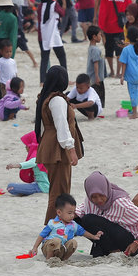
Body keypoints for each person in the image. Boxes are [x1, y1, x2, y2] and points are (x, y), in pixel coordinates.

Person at [35, 66, 84, 223]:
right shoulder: (56, 100)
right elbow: (61, 125)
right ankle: (54, 223)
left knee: (59, 187)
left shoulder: (47, 97)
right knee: (59, 190)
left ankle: (60, 221)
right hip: (58, 147)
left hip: (51, 145)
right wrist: (71, 149)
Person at [74, 171, 138, 258]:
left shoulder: (120, 202)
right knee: (74, 219)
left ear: (105, 190)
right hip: (108, 238)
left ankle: (112, 249)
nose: (98, 200)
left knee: (88, 219)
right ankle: (105, 248)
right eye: (94, 197)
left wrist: (137, 241)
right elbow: (80, 210)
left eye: (101, 195)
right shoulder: (89, 201)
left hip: (129, 243)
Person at [29, 193, 103, 260]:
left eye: (73, 213)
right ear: (59, 212)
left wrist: (94, 236)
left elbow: (83, 232)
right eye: (69, 213)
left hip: (62, 249)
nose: (72, 215)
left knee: (73, 242)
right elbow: (42, 235)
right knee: (56, 240)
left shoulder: (73, 224)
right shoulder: (53, 223)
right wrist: (35, 247)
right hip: (49, 248)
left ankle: (64, 259)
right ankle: (49, 259)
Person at [5, 131, 49, 196]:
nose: (25, 147)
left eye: (26, 145)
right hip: (44, 185)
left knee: (10, 187)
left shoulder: (37, 154)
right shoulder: (44, 152)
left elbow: (32, 162)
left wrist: (15, 165)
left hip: (42, 187)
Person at [38, 0, 67, 84]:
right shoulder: (55, 5)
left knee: (44, 58)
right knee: (62, 56)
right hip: (54, 35)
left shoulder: (40, 6)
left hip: (42, 35)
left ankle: (42, 80)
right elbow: (62, 13)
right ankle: (65, 77)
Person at [86, 25, 106, 107]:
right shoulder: (95, 50)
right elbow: (95, 63)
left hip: (94, 77)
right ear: (94, 37)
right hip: (96, 78)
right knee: (98, 95)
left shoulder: (91, 47)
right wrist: (97, 76)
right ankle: (97, 109)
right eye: (99, 35)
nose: (101, 37)